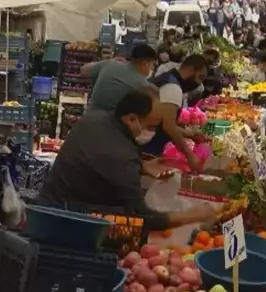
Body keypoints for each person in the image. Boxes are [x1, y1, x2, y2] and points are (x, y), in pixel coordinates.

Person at [36, 90, 218, 228]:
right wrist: (193, 215)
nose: (152, 132)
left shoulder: (96, 119)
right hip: (67, 219)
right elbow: (141, 217)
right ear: (131, 119)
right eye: (151, 126)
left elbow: (97, 166)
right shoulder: (120, 155)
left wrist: (141, 167)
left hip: (50, 202)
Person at [146, 55, 209, 170]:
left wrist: (191, 135)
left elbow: (165, 121)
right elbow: (168, 126)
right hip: (148, 146)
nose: (199, 84)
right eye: (200, 77)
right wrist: (190, 155)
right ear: (191, 70)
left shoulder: (167, 78)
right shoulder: (172, 87)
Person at [81, 44, 157, 112]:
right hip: (111, 125)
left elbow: (83, 70)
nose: (153, 68)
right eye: (152, 65)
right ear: (144, 64)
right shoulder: (144, 86)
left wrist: (109, 61)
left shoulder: (110, 64)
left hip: (88, 119)